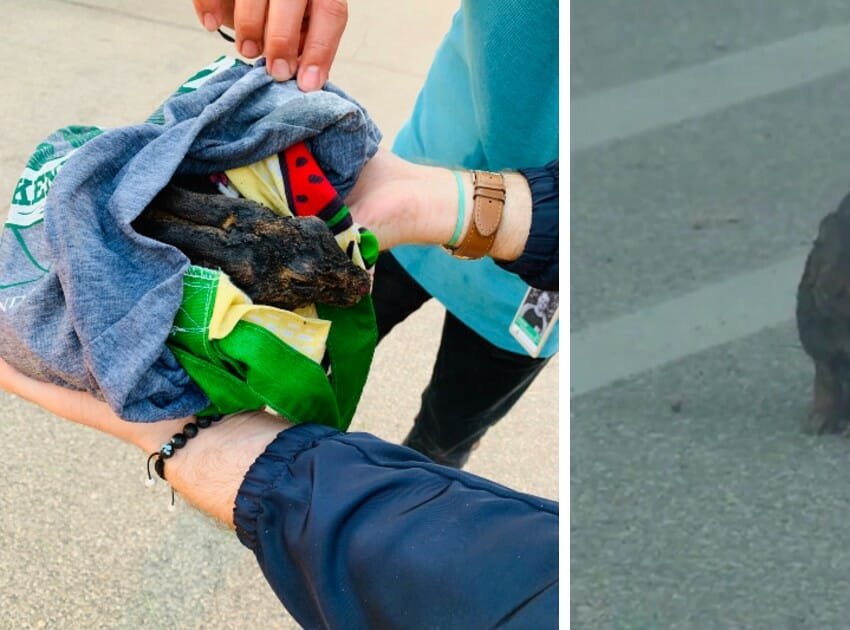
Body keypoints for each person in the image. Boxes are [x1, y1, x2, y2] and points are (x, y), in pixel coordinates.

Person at [0, 2, 562, 627]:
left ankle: (425, 466)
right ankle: (357, 454)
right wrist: (445, 202)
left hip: (523, 295)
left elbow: (503, 585)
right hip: (413, 183)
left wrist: (232, 460)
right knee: (311, 339)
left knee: (447, 428)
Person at [195, 0, 560, 469]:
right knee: (300, 365)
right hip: (419, 162)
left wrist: (456, 206)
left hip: (534, 268)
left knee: (443, 438)